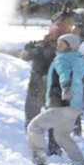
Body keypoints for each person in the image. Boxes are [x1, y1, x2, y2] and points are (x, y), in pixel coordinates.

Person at [27, 33, 84, 165]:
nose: (58, 45)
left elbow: (64, 73)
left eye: (62, 43)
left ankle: (39, 158)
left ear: (70, 46)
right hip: (74, 106)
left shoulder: (62, 59)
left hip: (62, 104)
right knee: (61, 135)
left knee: (35, 127)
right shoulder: (78, 59)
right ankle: (79, 162)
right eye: (58, 42)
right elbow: (77, 77)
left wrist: (65, 86)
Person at [20, 21, 69, 154]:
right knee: (31, 119)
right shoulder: (40, 45)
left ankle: (55, 151)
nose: (54, 38)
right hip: (35, 88)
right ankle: (33, 148)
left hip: (53, 92)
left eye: (59, 36)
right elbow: (25, 57)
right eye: (53, 34)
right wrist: (27, 50)